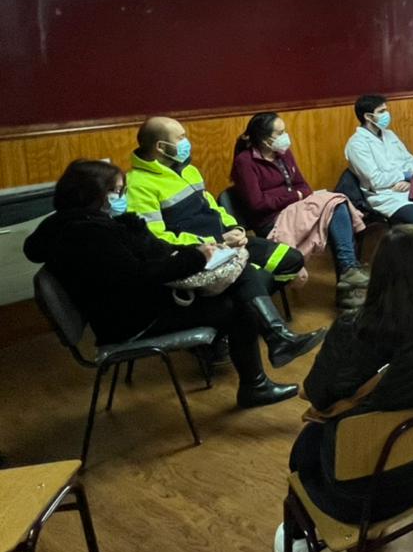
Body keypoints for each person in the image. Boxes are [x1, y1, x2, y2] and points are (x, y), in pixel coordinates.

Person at [26, 159, 322, 409]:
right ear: (91, 196)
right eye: (116, 192)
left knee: (237, 273)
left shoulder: (88, 226)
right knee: (237, 303)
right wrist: (195, 257)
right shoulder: (86, 235)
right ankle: (267, 360)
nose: (121, 197)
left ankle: (272, 349)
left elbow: (147, 258)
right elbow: (140, 275)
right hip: (130, 321)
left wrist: (167, 243)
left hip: (139, 304)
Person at [275, 226, 413, 552]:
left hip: (359, 498)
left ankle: (299, 540)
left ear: (379, 274)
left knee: (304, 448)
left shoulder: (354, 331)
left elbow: (315, 393)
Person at [129, 116, 307, 284]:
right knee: (252, 278)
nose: (186, 142)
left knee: (292, 260)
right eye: (181, 137)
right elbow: (157, 239)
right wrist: (217, 240)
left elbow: (213, 207)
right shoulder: (137, 184)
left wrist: (234, 229)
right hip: (198, 253)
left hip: (227, 242)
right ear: (161, 146)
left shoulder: (189, 171)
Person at [232, 112, 368, 311]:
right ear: (264, 138)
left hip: (299, 209)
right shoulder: (245, 161)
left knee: (336, 205)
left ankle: (348, 274)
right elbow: (258, 204)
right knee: (334, 203)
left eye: (284, 131)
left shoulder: (284, 154)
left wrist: (295, 195)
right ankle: (349, 273)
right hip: (273, 219)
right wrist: (293, 196)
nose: (285, 136)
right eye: (279, 133)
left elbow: (305, 187)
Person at [344, 94, 413, 228]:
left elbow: (410, 161)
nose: (386, 114)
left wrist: (409, 180)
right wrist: (403, 175)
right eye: (381, 112)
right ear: (368, 117)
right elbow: (375, 180)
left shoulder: (389, 134)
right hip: (386, 196)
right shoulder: (356, 144)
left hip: (410, 187)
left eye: (386, 110)